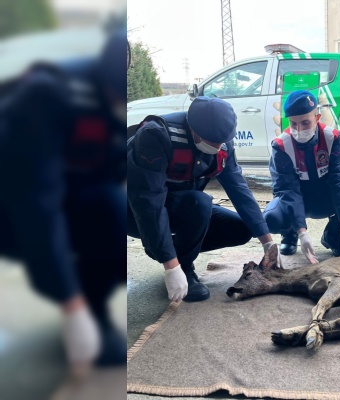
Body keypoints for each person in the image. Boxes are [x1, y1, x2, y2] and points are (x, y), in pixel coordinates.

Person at [0, 29, 128, 369]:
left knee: (115, 220)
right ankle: (74, 304)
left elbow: (108, 178)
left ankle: (94, 310)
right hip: (12, 198)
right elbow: (34, 200)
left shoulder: (117, 109)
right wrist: (71, 305)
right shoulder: (48, 94)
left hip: (69, 190)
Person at [127, 96, 277, 302]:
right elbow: (148, 203)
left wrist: (268, 243)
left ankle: (170, 250)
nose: (216, 147)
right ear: (192, 128)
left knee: (241, 228)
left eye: (221, 142)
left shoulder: (223, 142)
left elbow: (239, 189)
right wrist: (171, 265)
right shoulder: (156, 135)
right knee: (200, 202)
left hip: (183, 206)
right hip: (135, 212)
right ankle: (183, 266)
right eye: (210, 141)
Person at [264, 90, 340, 262]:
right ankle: (289, 234)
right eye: (293, 123)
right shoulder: (281, 145)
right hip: (298, 199)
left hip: (325, 197)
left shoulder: (332, 137)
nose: (299, 129)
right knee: (271, 218)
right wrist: (301, 231)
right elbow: (287, 189)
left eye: (305, 123)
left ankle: (333, 235)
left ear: (317, 118)